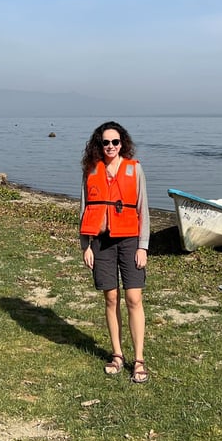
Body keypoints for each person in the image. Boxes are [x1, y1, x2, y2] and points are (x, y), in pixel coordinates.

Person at [79, 121, 150, 383]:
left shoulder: (135, 169)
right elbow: (84, 208)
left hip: (130, 240)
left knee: (133, 298)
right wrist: (85, 245)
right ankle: (117, 355)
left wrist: (143, 246)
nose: (110, 146)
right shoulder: (91, 170)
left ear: (122, 144)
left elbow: (143, 209)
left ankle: (139, 359)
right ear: (99, 145)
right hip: (101, 242)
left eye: (115, 142)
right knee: (111, 298)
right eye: (105, 142)